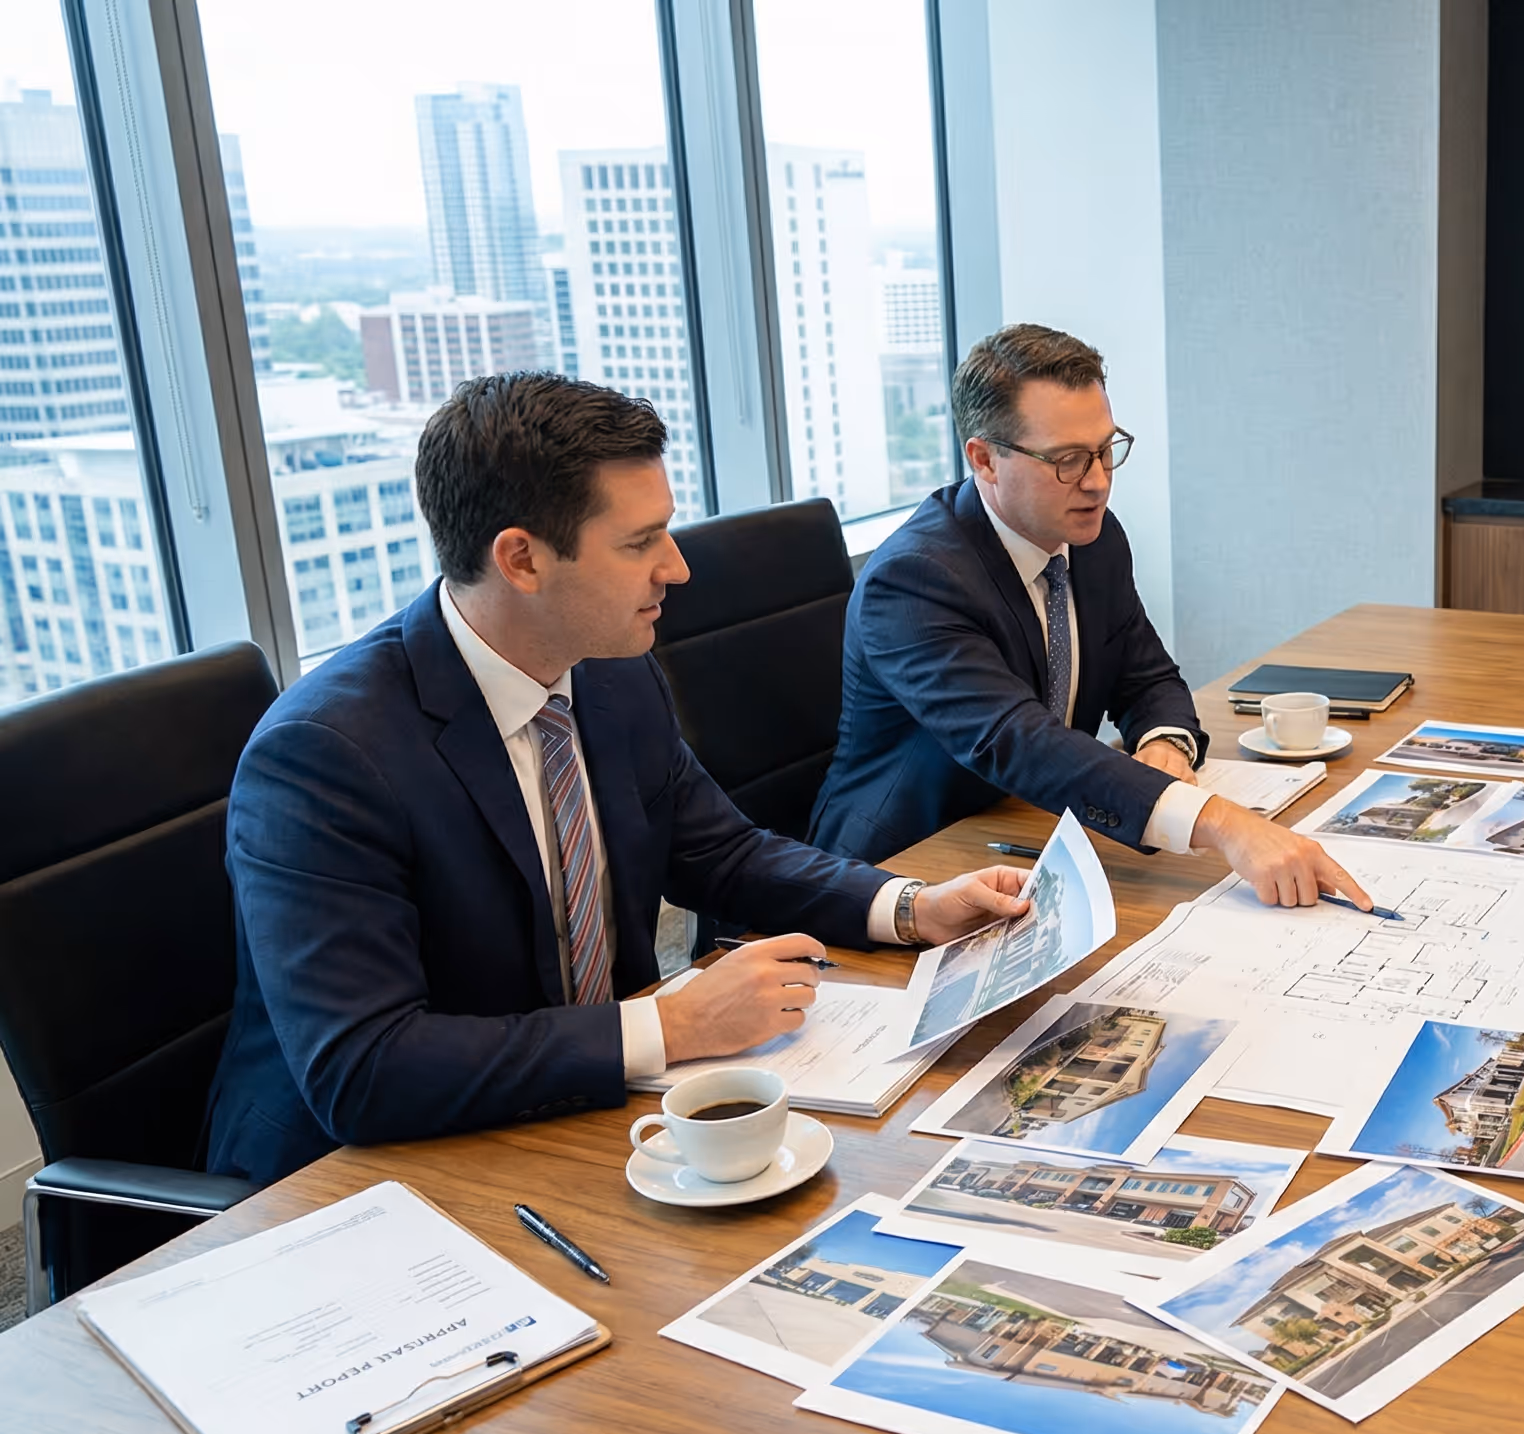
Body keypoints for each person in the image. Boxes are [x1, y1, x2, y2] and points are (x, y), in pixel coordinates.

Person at [207, 374, 1029, 1184]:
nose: (676, 568)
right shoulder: (327, 753)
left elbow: (724, 855)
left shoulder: (606, 671)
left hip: (575, 1119)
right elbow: (365, 1070)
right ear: (521, 559)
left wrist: (911, 908)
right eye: (640, 543)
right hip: (356, 1186)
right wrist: (667, 1026)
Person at [809, 323, 1367, 909]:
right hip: (902, 875)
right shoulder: (916, 580)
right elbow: (1017, 741)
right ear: (985, 459)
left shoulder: (1091, 540)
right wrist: (1224, 824)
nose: (1098, 482)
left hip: (1031, 842)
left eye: (1105, 450)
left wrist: (1165, 744)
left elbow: (1145, 673)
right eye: (1069, 460)